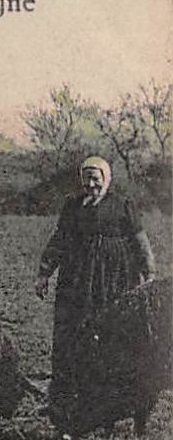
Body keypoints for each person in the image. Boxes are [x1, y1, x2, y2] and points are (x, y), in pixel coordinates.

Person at [35, 156, 156, 419]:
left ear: (106, 179)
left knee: (110, 337)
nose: (91, 184)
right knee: (71, 335)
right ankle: (65, 399)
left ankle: (109, 402)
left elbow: (140, 241)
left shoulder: (123, 205)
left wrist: (148, 273)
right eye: (86, 179)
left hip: (114, 280)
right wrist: (44, 273)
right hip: (76, 282)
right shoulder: (72, 206)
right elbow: (59, 240)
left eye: (96, 179)